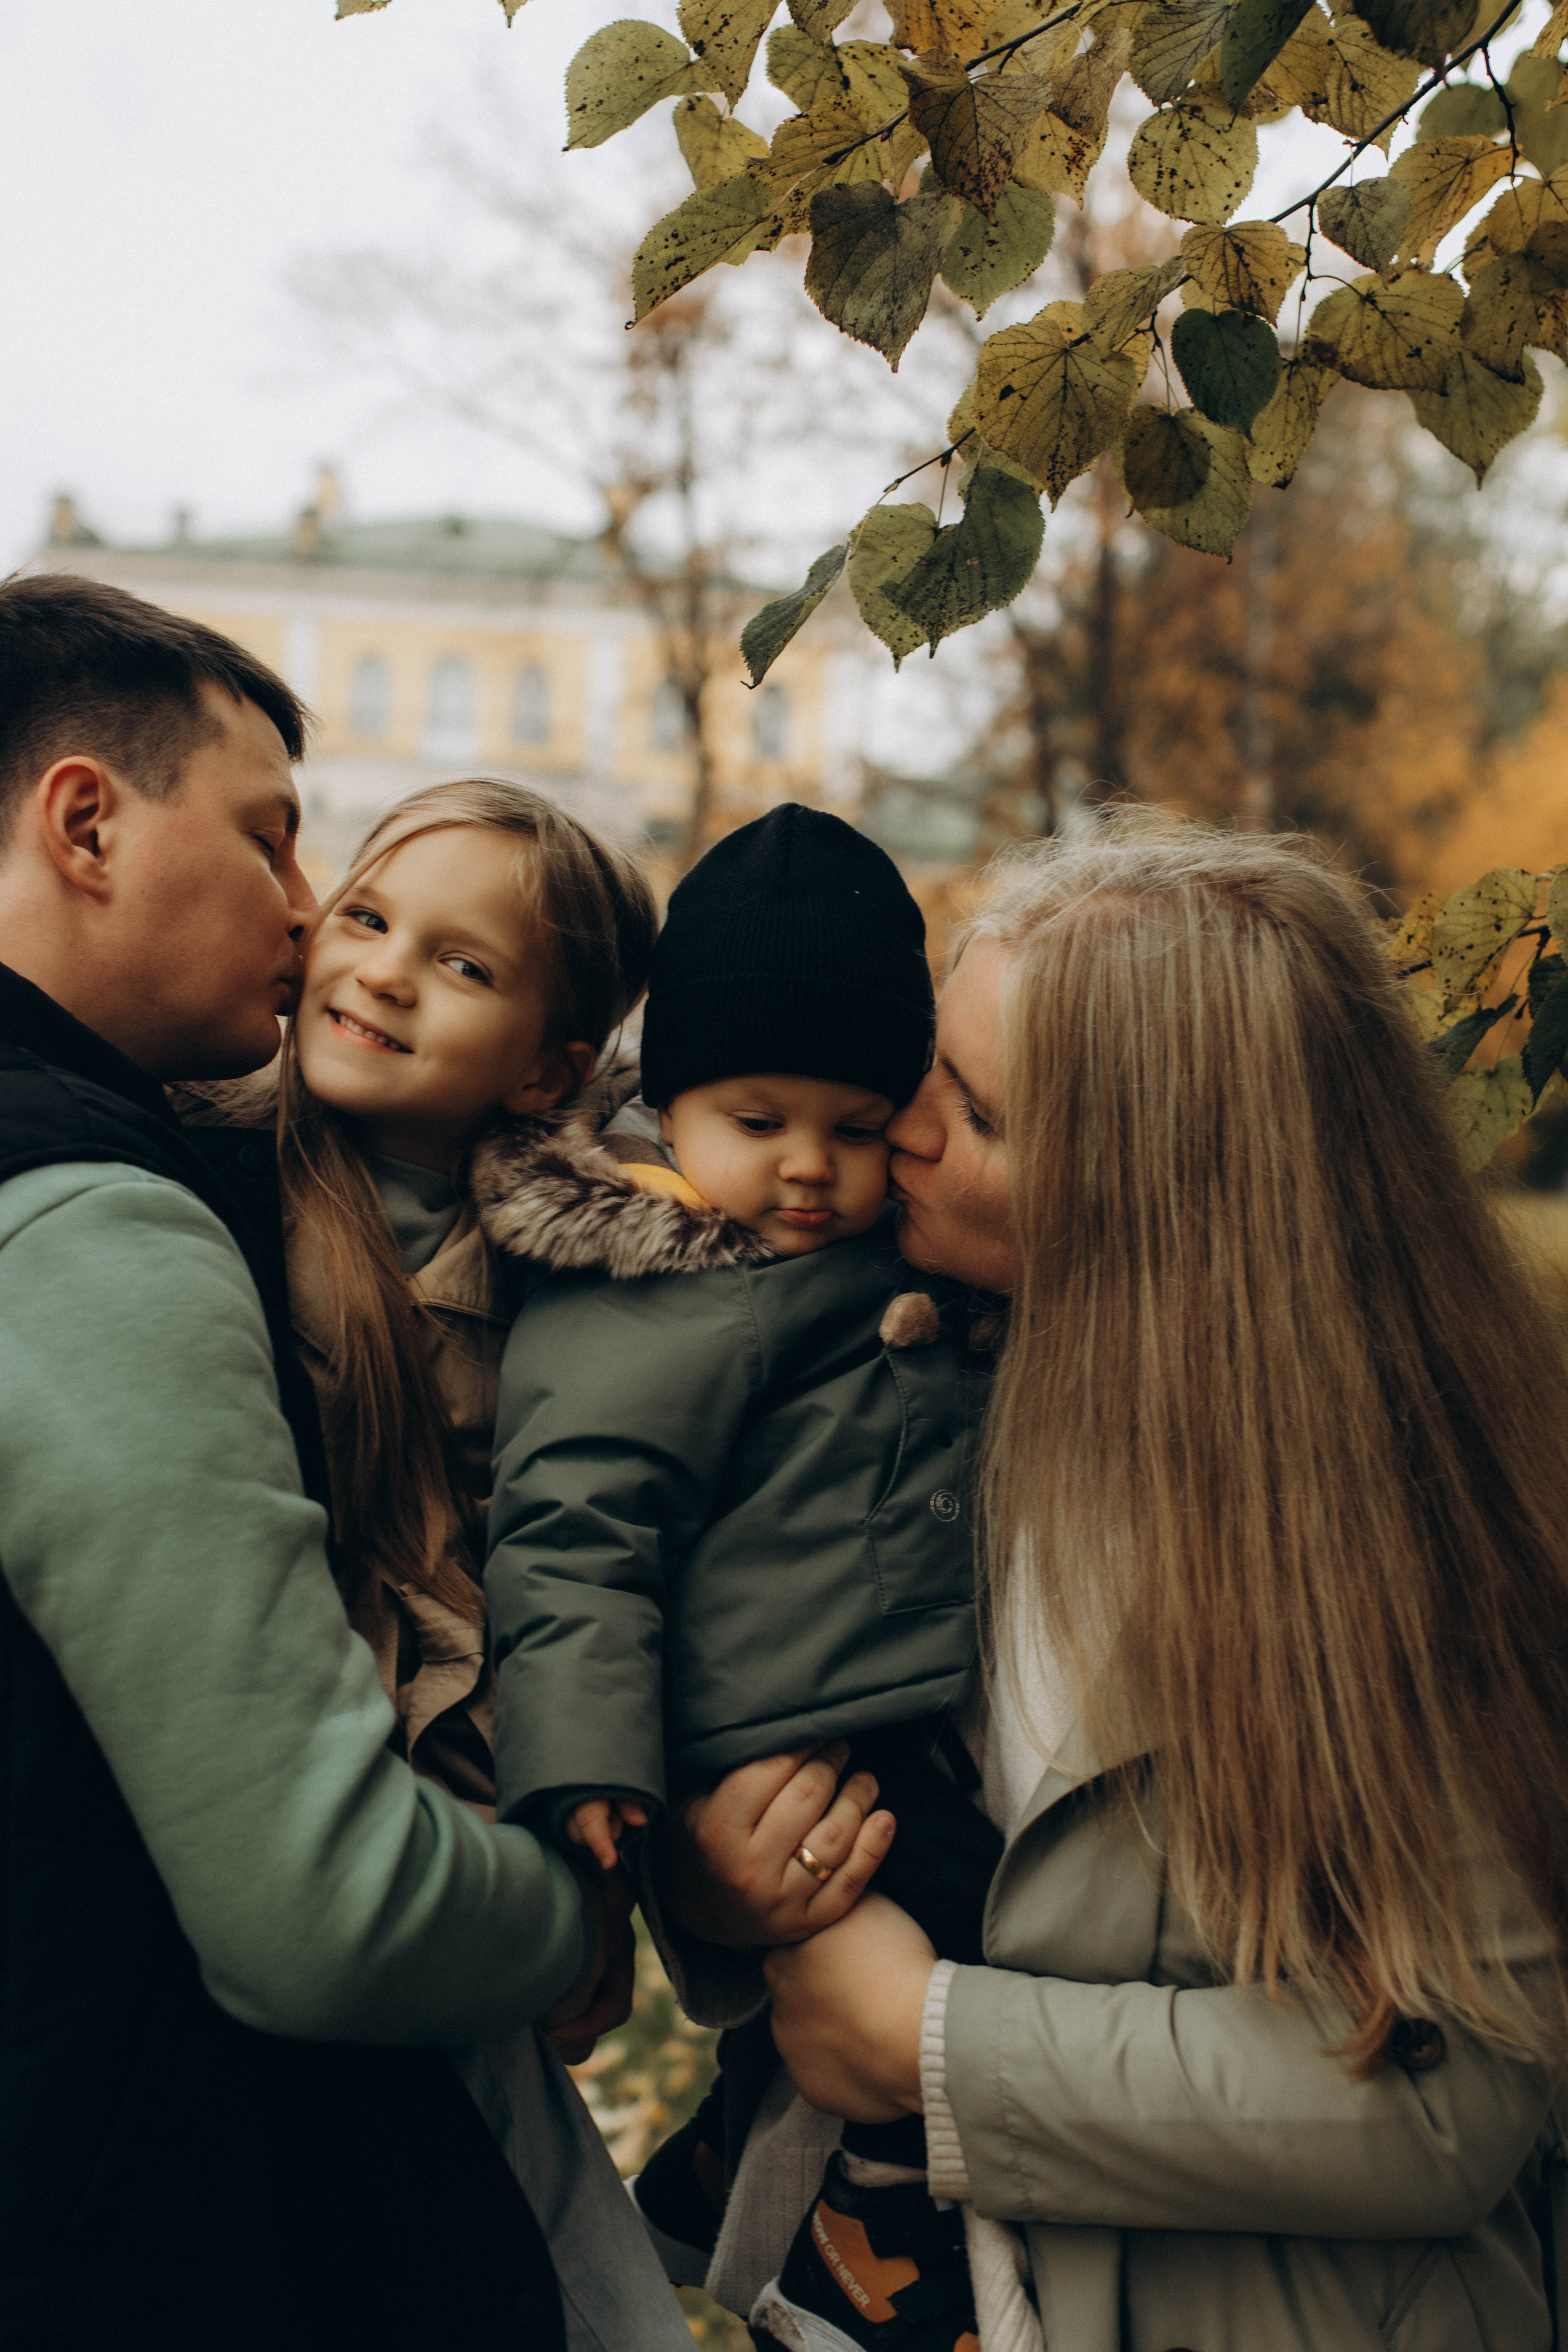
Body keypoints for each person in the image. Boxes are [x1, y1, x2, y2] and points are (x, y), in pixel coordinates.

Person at [677, 818, 1568, 2352]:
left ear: (1163, 1198)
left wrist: (935, 2047)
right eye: (927, 1065)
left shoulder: (1401, 1535)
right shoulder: (906, 1383)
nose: (901, 1125)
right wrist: (720, 1885)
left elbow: (1449, 2101)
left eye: (979, 1113)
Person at [0, 572, 631, 2352]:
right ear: (87, 825)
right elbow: (325, 1909)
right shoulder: (88, 1220)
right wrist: (577, 1917)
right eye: (272, 839)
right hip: (138, 2224)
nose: (305, 907)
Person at [478, 805, 1005, 2337]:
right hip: (764, 1733)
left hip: (883, 1706)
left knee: (934, 1935)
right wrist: (585, 1761)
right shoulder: (647, 1297)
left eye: (857, 1126)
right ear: (669, 1104)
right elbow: (573, 1531)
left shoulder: (867, 1259)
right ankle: (851, 2236)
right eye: (758, 1120)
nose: (808, 1168)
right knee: (927, 1948)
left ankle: (734, 2169)